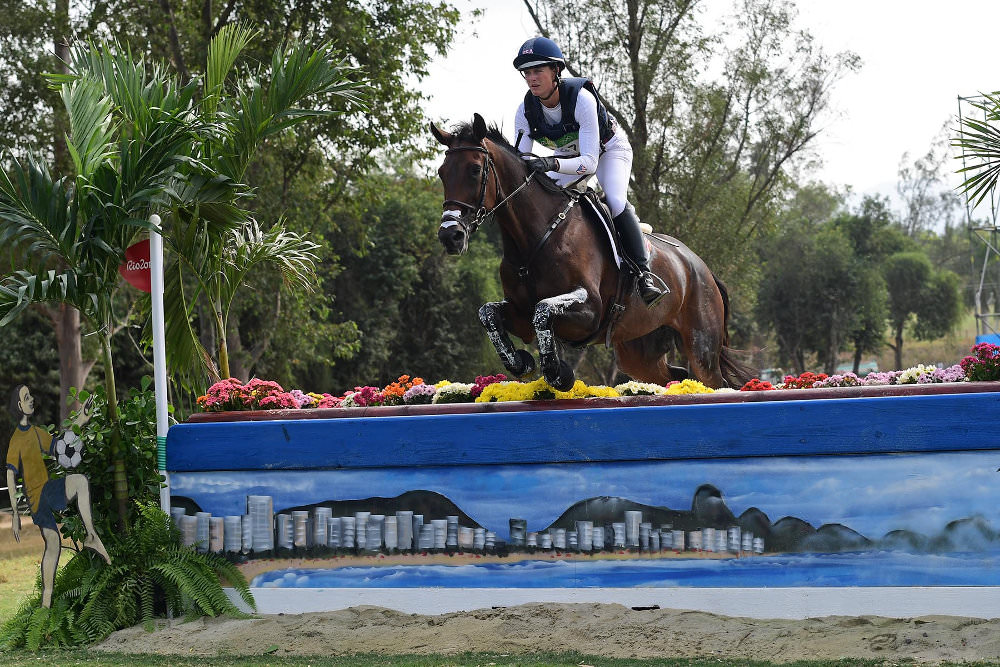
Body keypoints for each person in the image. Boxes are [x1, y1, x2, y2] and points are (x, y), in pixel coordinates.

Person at [512, 36, 667, 307]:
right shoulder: (525, 111)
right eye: (527, 72)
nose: (532, 78)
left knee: (616, 200)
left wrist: (551, 163)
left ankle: (643, 273)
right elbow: (522, 161)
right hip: (568, 157)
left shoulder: (581, 99)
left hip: (608, 151)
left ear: (556, 71)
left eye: (538, 70)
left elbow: (590, 163)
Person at [5, 384, 110, 608]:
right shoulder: (16, 440)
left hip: (47, 490)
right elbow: (10, 476)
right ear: (19, 405)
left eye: (30, 395)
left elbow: (60, 445)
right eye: (26, 397)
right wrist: (14, 513)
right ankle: (46, 603)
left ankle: (91, 536)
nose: (32, 399)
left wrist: (82, 419)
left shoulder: (36, 433)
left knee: (80, 482)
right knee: (53, 543)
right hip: (35, 499)